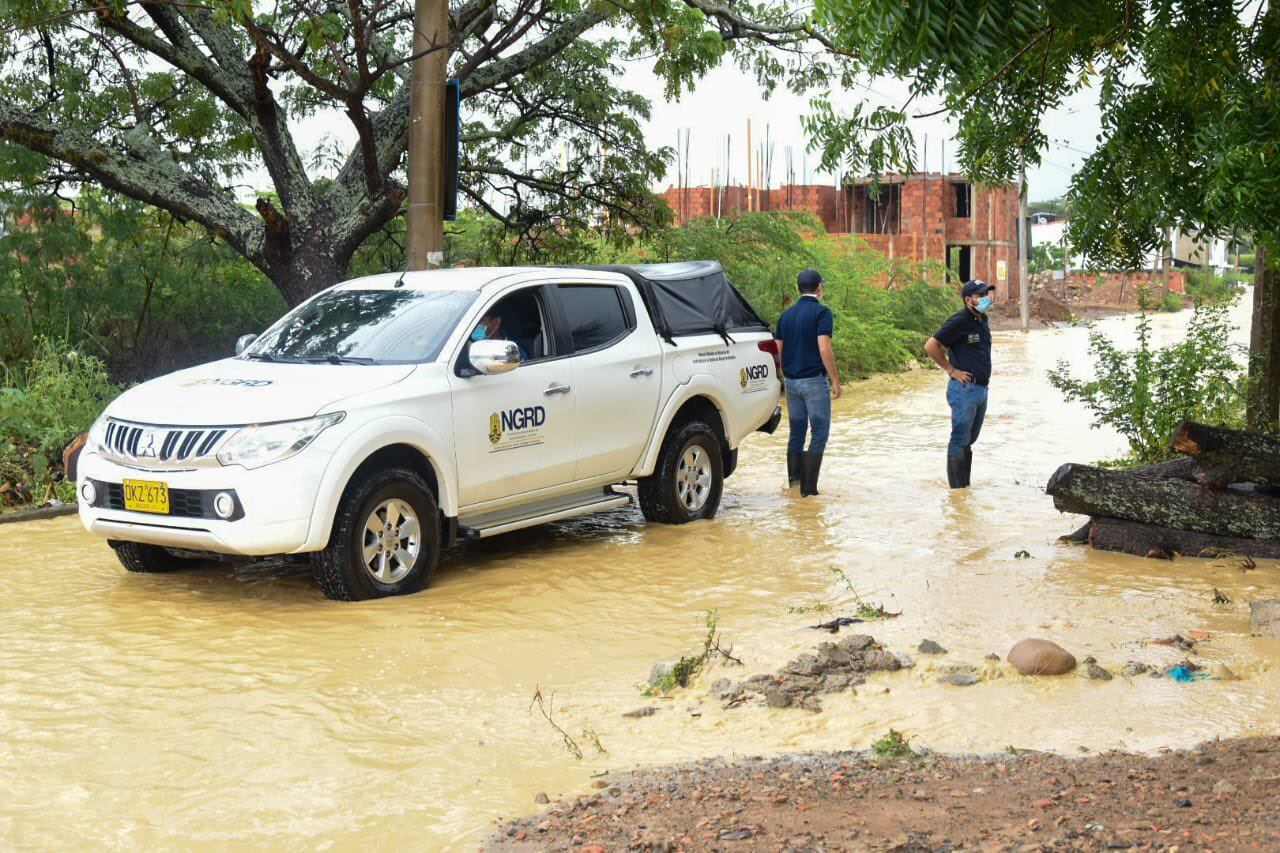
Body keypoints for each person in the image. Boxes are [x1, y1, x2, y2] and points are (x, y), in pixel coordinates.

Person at [775, 268, 841, 497]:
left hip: (792, 382)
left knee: (797, 433)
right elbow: (824, 347)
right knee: (820, 432)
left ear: (798, 288)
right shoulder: (822, 313)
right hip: (814, 381)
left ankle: (794, 485)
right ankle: (809, 491)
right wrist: (835, 380)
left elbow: (778, 351)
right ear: (820, 288)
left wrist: (785, 376)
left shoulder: (786, 316)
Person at [924, 279, 995, 489]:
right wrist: (951, 370)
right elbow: (931, 346)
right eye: (980, 295)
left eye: (986, 294)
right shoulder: (960, 320)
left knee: (969, 441)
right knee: (959, 439)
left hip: (981, 389)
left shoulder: (982, 320)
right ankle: (957, 493)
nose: (986, 298)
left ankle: (965, 490)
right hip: (964, 389)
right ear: (968, 300)